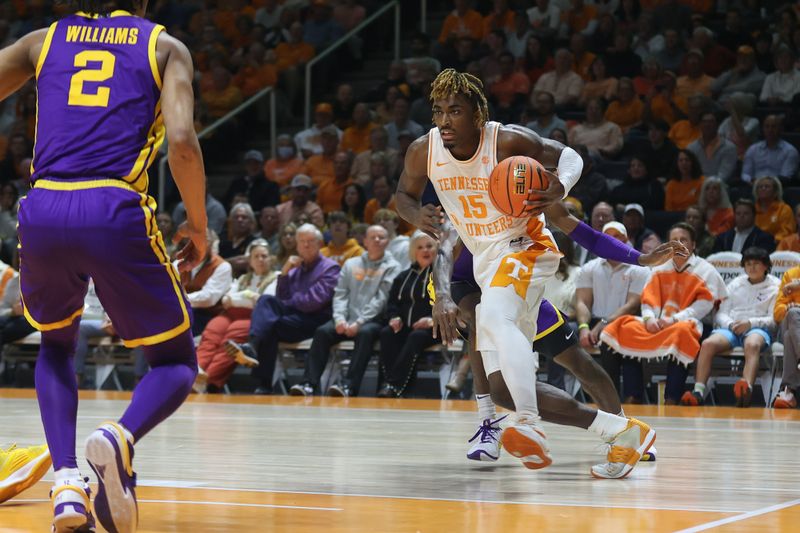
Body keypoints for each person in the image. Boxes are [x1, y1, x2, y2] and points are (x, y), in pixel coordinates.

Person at [0, 2, 209, 531]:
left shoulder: (41, 41)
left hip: (43, 207)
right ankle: (119, 437)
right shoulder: (164, 47)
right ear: (144, 2)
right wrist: (200, 225)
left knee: (55, 344)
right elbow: (182, 143)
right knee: (177, 361)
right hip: (113, 207)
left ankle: (66, 482)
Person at [396, 68, 654, 476]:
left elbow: (569, 157)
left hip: (526, 246)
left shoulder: (508, 142)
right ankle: (622, 432)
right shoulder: (422, 151)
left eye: (455, 111)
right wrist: (418, 216)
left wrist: (562, 186)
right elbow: (403, 196)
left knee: (493, 318)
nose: (444, 120)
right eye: (438, 111)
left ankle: (528, 426)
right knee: (503, 387)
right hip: (485, 262)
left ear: (477, 115)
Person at [601, 223, 728, 404]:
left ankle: (672, 397)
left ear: (693, 245)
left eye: (683, 240)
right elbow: (648, 298)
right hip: (659, 322)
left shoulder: (706, 270)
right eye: (673, 241)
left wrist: (674, 319)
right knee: (620, 327)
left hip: (690, 322)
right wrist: (649, 319)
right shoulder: (659, 267)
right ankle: (631, 395)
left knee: (682, 332)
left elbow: (704, 305)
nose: (677, 244)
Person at [226, 224, 340, 395]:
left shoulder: (330, 268)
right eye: (302, 241)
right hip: (294, 317)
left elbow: (315, 301)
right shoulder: (296, 267)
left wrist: (288, 302)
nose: (306, 245)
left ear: (319, 243)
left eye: (310, 241)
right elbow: (281, 295)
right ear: (297, 244)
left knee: (271, 321)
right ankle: (253, 349)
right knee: (266, 304)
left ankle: (258, 364)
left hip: (315, 320)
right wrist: (285, 273)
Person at [295, 225, 400, 397]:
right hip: (345, 319)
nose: (376, 240)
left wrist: (359, 322)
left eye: (381, 237)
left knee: (365, 334)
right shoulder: (351, 264)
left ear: (387, 241)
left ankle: (348, 386)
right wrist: (339, 319)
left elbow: (381, 299)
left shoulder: (393, 267)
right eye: (372, 237)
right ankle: (308, 384)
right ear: (364, 241)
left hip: (373, 321)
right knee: (322, 332)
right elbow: (340, 294)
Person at [681, 247, 779, 407]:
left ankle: (745, 389)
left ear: (766, 266)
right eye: (748, 264)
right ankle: (698, 392)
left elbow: (774, 320)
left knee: (752, 344)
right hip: (731, 328)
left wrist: (750, 323)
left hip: (758, 328)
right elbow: (721, 313)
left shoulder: (775, 286)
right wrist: (730, 324)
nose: (752, 267)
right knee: (707, 344)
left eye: (756, 263)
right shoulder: (735, 284)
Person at [195, 239, 279, 392]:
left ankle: (209, 379)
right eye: (256, 256)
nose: (260, 260)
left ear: (271, 259)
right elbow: (226, 300)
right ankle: (196, 372)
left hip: (253, 317)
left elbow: (262, 301)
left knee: (231, 339)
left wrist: (237, 298)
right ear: (250, 260)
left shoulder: (277, 278)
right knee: (212, 331)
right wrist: (246, 297)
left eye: (264, 256)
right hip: (230, 314)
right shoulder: (242, 278)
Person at [377, 231, 438, 398]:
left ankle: (393, 385)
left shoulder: (442, 275)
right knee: (387, 333)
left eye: (429, 246)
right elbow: (392, 303)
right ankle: (388, 385)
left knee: (416, 337)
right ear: (414, 252)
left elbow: (450, 303)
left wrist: (432, 320)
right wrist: (394, 317)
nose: (425, 250)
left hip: (436, 327)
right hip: (406, 326)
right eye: (420, 247)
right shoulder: (403, 276)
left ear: (436, 249)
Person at [181, 229, 233, 336]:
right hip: (182, 310)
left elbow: (208, 298)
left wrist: (179, 300)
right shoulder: (180, 263)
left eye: (205, 240)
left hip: (207, 315)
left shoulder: (222, 266)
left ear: (212, 244)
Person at [772, 264, 800, 408]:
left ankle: (788, 390)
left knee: (790, 336)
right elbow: (777, 312)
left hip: (793, 333)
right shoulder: (791, 274)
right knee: (792, 314)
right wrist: (787, 307)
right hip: (795, 324)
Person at [741, 115, 799, 184]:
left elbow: (785, 177)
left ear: (781, 129)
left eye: (774, 127)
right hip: (753, 186)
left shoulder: (790, 151)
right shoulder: (753, 149)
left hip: (778, 189)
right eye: (767, 126)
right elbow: (745, 174)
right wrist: (751, 181)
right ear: (763, 129)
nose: (770, 130)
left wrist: (765, 184)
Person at [753, 176, 796, 242]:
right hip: (753, 244)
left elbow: (786, 232)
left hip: (775, 244)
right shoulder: (752, 209)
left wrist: (770, 241)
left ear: (775, 191)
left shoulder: (784, 209)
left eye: (767, 186)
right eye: (760, 187)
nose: (763, 188)